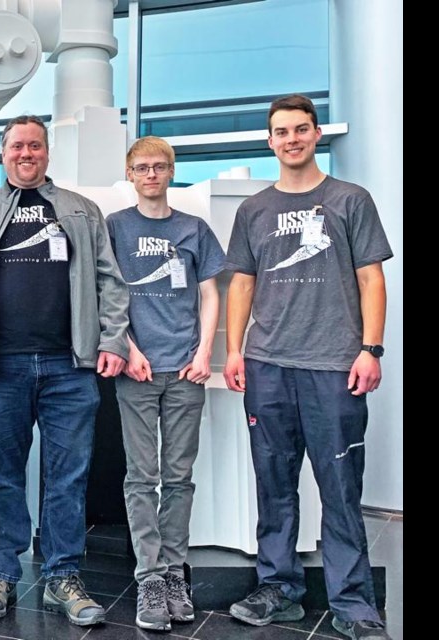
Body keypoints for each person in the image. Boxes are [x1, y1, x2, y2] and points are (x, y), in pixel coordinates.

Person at [0, 115, 130, 627]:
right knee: (3, 476)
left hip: (70, 367)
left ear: (47, 153)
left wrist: (111, 340)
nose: (27, 153)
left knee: (68, 477)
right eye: (17, 145)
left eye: (35, 146)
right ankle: (2, 573)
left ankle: (63, 576)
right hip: (1, 367)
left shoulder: (82, 212)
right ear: (4, 154)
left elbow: (111, 282)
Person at [223, 95, 393, 640]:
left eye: (300, 129)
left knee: (340, 484)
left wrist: (372, 348)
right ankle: (279, 588)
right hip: (267, 363)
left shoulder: (350, 200)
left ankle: (353, 602)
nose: (291, 138)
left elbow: (371, 278)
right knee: (273, 483)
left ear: (316, 134)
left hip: (333, 365)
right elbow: (242, 283)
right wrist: (233, 350)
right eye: (281, 131)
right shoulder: (253, 210)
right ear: (269, 141)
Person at [105, 136, 225, 631]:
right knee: (141, 478)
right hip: (137, 371)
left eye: (159, 167)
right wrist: (127, 348)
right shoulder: (115, 228)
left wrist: (204, 354)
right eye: (141, 167)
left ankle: (175, 571)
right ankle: (149, 576)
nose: (151, 174)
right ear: (129, 173)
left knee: (178, 477)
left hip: (185, 371)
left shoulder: (193, 229)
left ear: (170, 172)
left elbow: (210, 293)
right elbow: (105, 292)